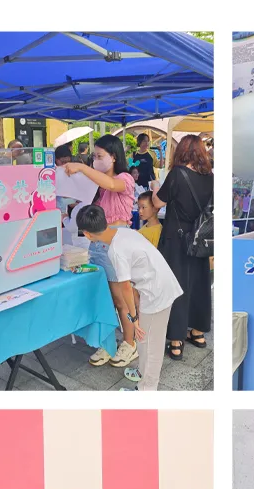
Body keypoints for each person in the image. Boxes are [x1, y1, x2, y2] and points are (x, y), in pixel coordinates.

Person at [76, 205, 183, 391]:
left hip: (157, 291)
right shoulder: (123, 232)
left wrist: (133, 319)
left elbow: (125, 286)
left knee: (151, 345)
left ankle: (146, 390)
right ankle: (142, 373)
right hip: (154, 285)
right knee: (144, 341)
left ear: (87, 234)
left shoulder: (115, 251)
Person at [64, 135, 137, 368]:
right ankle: (107, 343)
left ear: (114, 157)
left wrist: (83, 167)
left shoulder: (124, 179)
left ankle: (130, 343)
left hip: (117, 243)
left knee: (121, 298)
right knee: (105, 297)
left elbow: (111, 184)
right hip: (97, 244)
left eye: (99, 156)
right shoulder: (98, 186)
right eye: (93, 156)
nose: (95, 160)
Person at [149, 134, 214, 361]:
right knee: (199, 283)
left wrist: (156, 186)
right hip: (200, 237)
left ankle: (176, 340)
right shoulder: (210, 177)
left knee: (175, 285)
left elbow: (158, 202)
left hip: (177, 238)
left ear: (181, 152)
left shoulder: (178, 174)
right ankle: (197, 332)